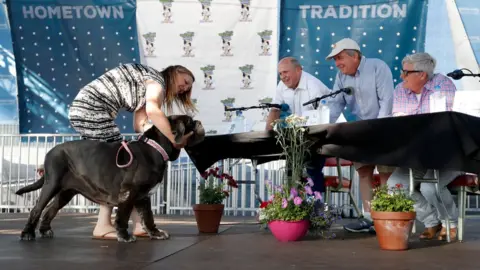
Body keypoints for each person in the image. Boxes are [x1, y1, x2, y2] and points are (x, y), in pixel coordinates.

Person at [68, 63, 196, 240]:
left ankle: (139, 225)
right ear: (176, 71)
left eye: (188, 88)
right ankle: (103, 226)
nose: (185, 88)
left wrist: (161, 139)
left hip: (85, 109)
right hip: (91, 110)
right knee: (118, 170)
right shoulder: (157, 83)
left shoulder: (148, 81)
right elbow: (153, 110)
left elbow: (140, 125)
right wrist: (174, 139)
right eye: (186, 81)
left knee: (131, 176)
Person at [325, 38, 396, 233]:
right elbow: (335, 103)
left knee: (384, 172)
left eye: (340, 58)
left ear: (355, 55)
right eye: (335, 60)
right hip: (358, 130)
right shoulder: (341, 77)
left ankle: (386, 215)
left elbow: (387, 100)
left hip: (382, 128)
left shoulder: (377, 67)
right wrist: (324, 124)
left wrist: (379, 130)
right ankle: (368, 218)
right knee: (364, 172)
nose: (337, 64)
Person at [388, 52, 460, 241]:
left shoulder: (443, 85)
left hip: (448, 152)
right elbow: (400, 122)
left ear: (422, 75)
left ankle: (450, 223)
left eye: (406, 72)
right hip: (416, 154)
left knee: (430, 187)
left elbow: (444, 121)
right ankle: (431, 221)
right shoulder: (400, 90)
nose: (401, 76)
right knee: (395, 186)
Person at [265, 57, 330, 193]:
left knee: (312, 168)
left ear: (298, 70)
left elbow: (320, 121)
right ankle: (292, 206)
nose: (283, 77)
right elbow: (275, 109)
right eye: (280, 73)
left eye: (285, 72)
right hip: (297, 139)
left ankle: (316, 208)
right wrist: (267, 135)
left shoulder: (313, 86)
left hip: (318, 137)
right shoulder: (282, 86)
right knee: (291, 168)